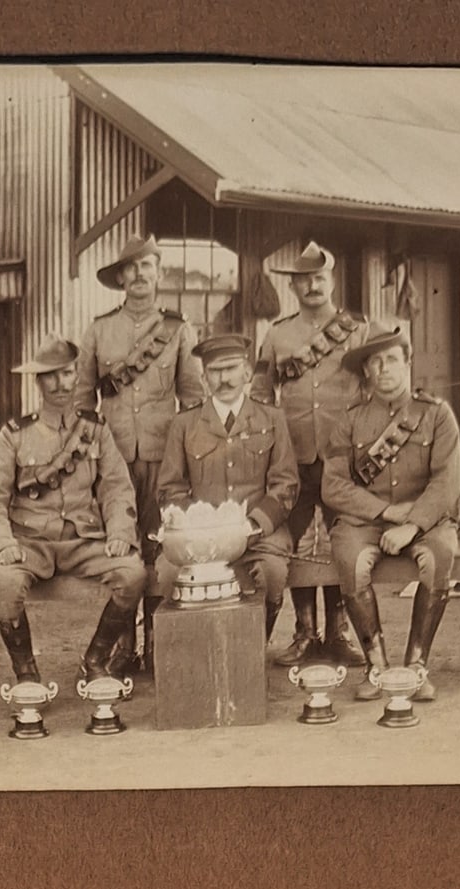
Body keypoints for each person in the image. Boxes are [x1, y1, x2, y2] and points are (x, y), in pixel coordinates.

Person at [0, 335, 147, 686]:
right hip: (30, 543)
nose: (61, 384)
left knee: (133, 574)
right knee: (6, 583)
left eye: (68, 374)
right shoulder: (15, 435)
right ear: (38, 381)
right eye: (51, 375)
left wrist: (120, 534)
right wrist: (2, 543)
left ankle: (95, 660)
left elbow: (116, 489)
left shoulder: (95, 431)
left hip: (82, 541)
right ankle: (26, 675)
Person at [74, 234, 205, 671]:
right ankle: (125, 650)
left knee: (162, 549)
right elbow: (81, 404)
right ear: (120, 279)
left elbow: (193, 400)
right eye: (130, 269)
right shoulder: (99, 330)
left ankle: (157, 647)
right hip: (112, 463)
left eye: (146, 267)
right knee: (122, 552)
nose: (138, 276)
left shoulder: (179, 329)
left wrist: (188, 458)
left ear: (158, 273)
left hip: (163, 458)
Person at [322, 320, 460, 701]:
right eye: (376, 363)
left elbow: (448, 481)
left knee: (440, 555)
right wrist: (385, 512)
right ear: (367, 371)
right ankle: (376, 666)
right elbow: (333, 485)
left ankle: (417, 664)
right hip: (365, 521)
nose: (385, 370)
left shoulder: (437, 414)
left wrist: (413, 524)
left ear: (408, 362)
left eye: (392, 360)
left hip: (426, 519)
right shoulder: (350, 421)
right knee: (349, 559)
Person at [251, 241, 369, 668]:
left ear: (332, 280)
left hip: (343, 457)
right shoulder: (278, 334)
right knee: (295, 542)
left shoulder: (357, 330)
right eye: (305, 279)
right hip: (293, 457)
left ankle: (337, 633)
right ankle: (304, 632)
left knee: (342, 541)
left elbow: (372, 392)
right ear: (295, 286)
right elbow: (261, 396)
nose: (313, 285)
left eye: (320, 278)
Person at [157, 334, 300, 642]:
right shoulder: (184, 424)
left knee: (272, 572)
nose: (224, 379)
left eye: (232, 368)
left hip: (260, 534)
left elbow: (285, 484)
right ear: (204, 378)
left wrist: (253, 525)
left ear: (247, 373)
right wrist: (197, 525)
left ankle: (251, 649)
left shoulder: (272, 418)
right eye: (215, 372)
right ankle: (192, 651)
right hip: (200, 535)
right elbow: (170, 487)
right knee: (168, 574)